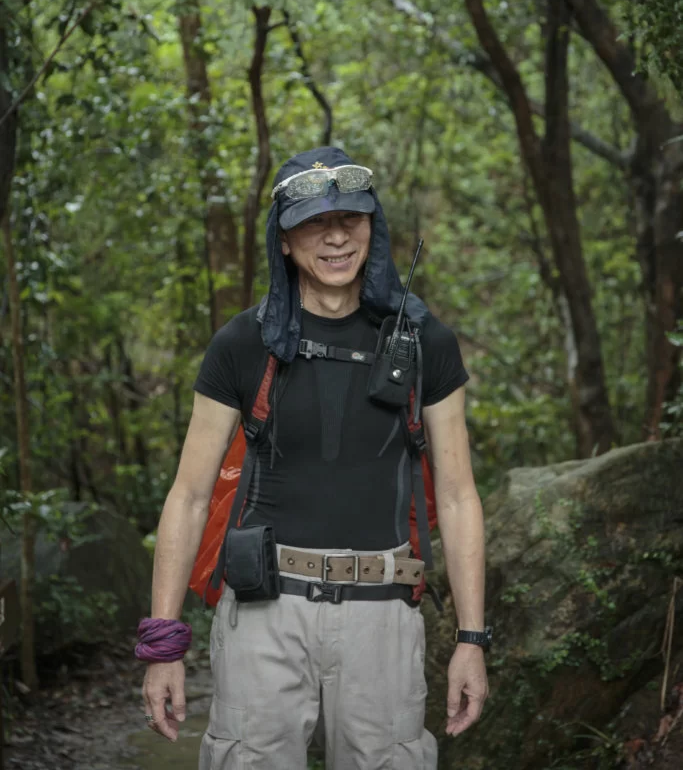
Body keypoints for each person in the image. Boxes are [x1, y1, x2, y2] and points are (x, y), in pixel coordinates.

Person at [139, 146, 489, 769]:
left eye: (350, 219)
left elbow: (459, 495)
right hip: (263, 614)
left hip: (383, 613)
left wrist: (471, 638)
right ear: (283, 239)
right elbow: (189, 495)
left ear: (372, 227)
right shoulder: (243, 345)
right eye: (312, 223)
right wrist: (163, 644)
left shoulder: (425, 342)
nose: (334, 238)